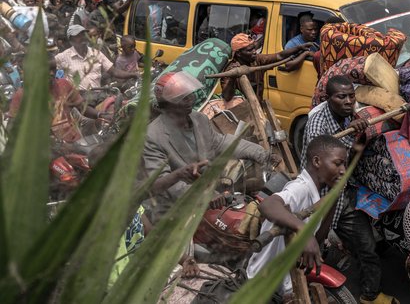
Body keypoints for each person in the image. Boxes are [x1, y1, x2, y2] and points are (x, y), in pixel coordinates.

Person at [302, 76, 398, 304]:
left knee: (366, 246)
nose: (348, 101)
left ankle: (369, 296)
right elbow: (331, 172)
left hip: (344, 189)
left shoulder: (349, 114)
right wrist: (356, 142)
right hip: (323, 195)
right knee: (314, 243)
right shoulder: (318, 126)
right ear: (328, 98)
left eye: (351, 96)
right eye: (341, 97)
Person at [142, 71, 279, 223]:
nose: (191, 99)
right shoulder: (153, 136)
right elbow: (167, 184)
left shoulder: (198, 119)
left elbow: (222, 142)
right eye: (183, 98)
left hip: (211, 196)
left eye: (190, 95)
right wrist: (206, 197)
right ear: (169, 104)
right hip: (176, 211)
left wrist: (261, 154)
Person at [246, 135, 348, 299]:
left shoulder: (315, 194)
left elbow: (319, 238)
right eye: (338, 163)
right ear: (317, 162)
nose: (343, 170)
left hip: (286, 281)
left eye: (344, 164)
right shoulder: (301, 188)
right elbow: (268, 205)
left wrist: (334, 196)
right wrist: (303, 231)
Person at [220, 33, 313, 102]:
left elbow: (279, 56)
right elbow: (227, 97)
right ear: (239, 53)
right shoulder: (231, 69)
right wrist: (233, 77)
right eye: (250, 50)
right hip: (240, 114)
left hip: (257, 109)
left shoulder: (257, 60)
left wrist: (299, 48)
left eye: (254, 48)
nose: (254, 52)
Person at [55, 24, 137, 91]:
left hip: (98, 95)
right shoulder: (62, 57)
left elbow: (114, 71)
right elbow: (56, 78)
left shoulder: (96, 54)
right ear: (71, 40)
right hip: (79, 100)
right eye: (78, 36)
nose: (82, 37)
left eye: (83, 34)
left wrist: (133, 75)